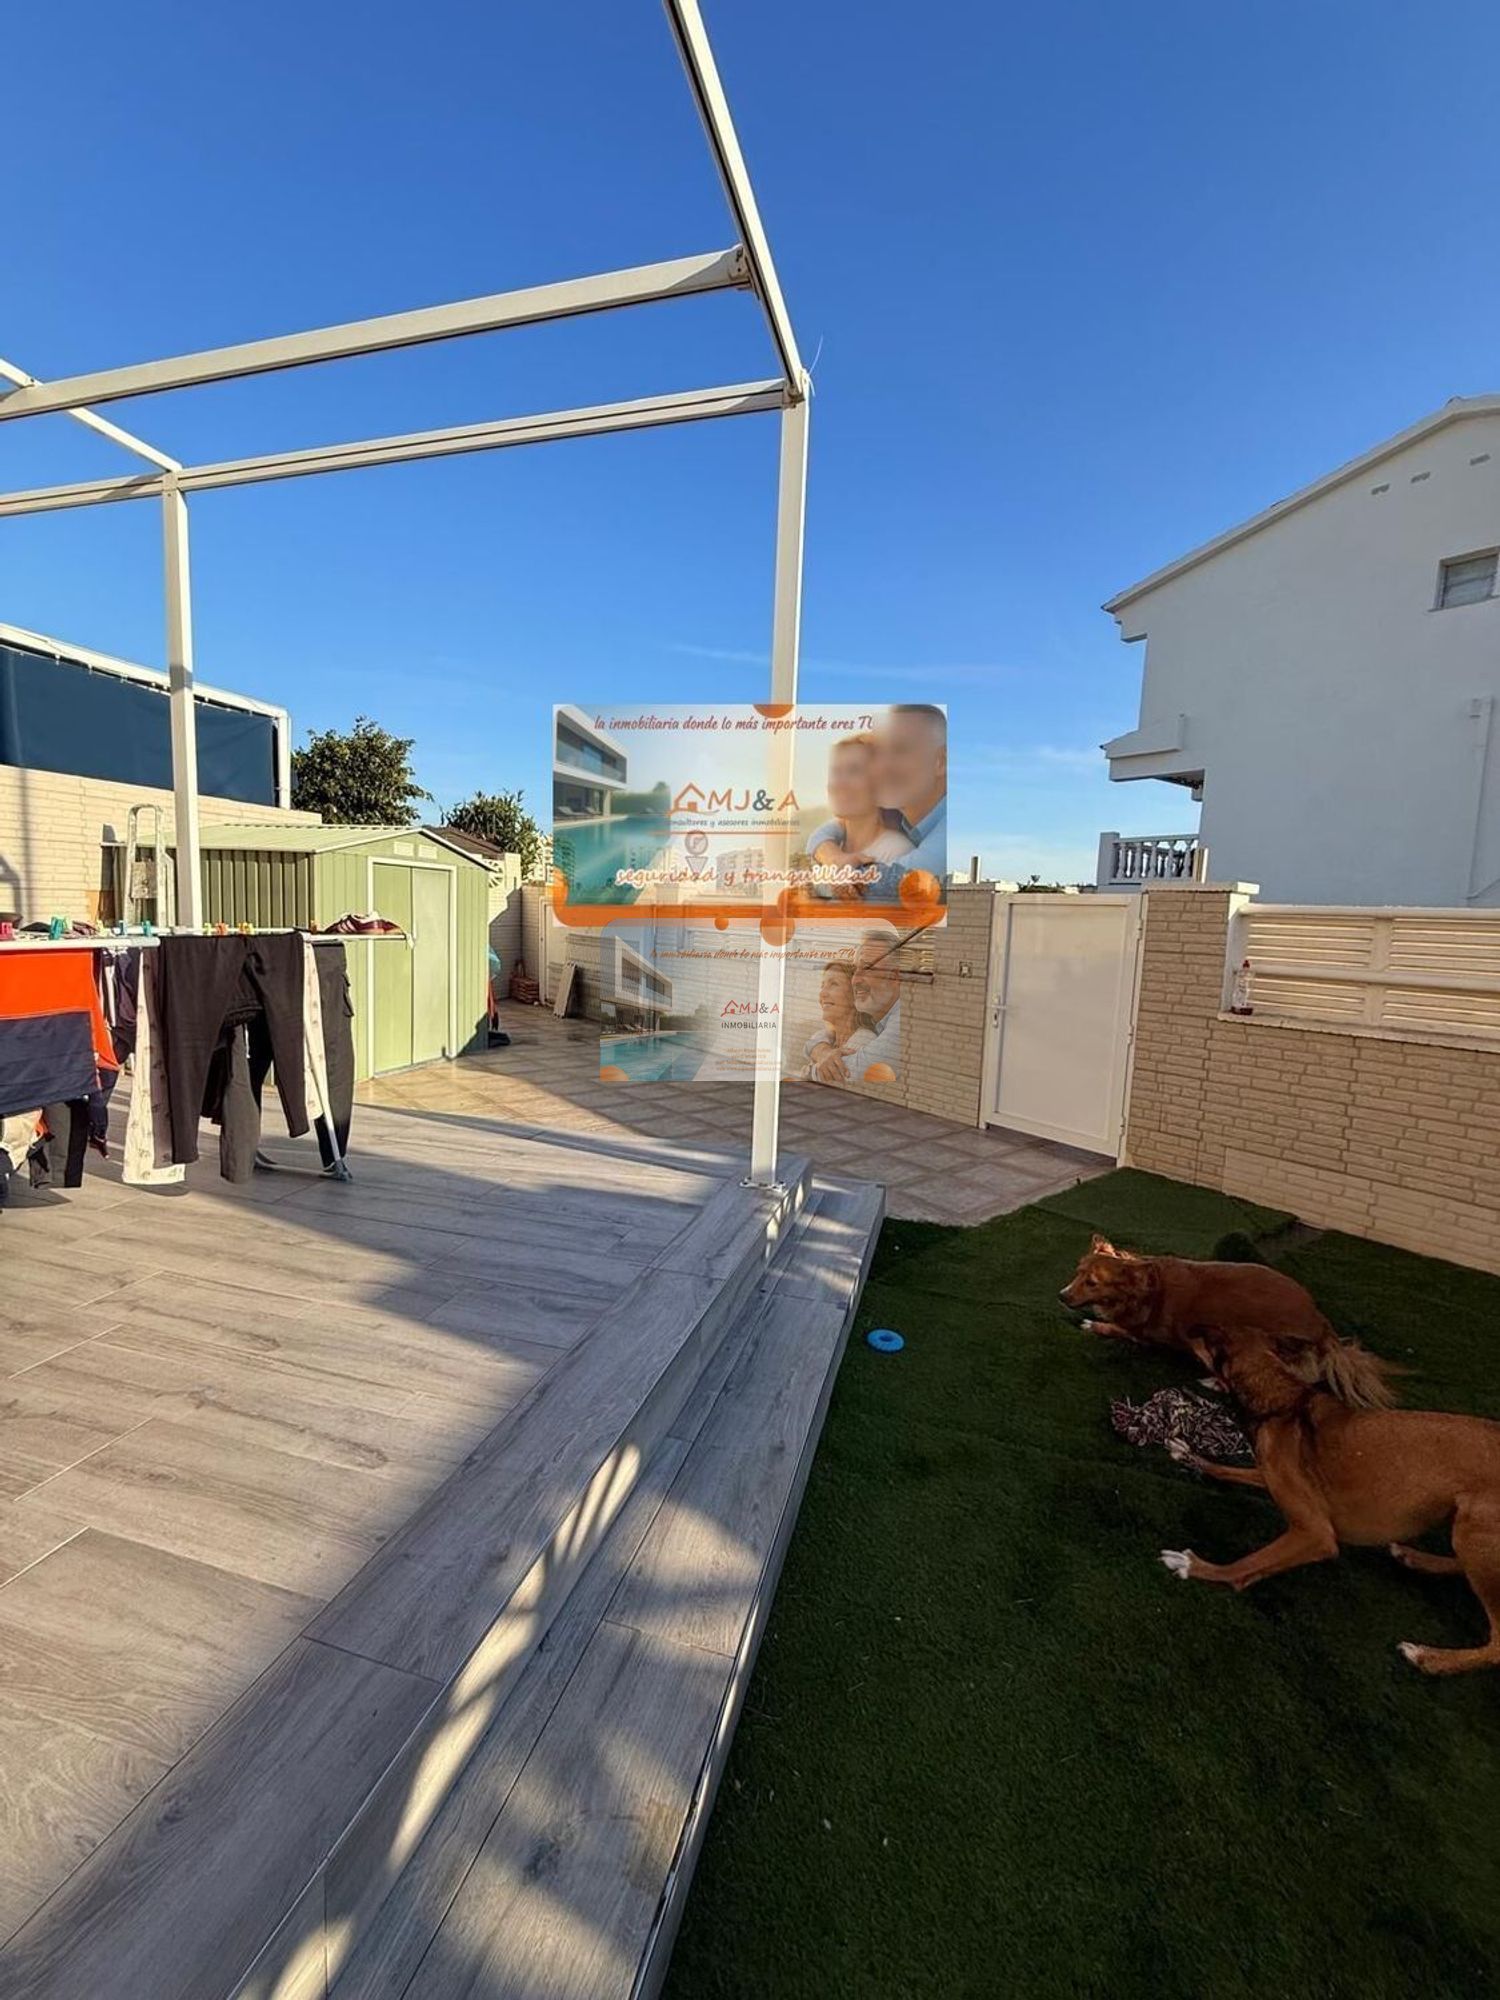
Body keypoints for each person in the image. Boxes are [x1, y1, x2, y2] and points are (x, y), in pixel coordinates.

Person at [804, 706, 946, 898]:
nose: (883, 767)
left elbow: (888, 883)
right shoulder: (904, 819)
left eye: (901, 750)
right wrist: (832, 856)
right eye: (881, 754)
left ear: (940, 762)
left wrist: (817, 881)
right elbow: (826, 831)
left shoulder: (944, 838)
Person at [808, 929, 901, 1083]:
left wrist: (809, 1070)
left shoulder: (901, 1025)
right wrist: (821, 1050)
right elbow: (815, 1039)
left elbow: (852, 1072)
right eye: (857, 968)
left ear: (894, 976)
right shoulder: (882, 1022)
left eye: (867, 968)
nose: (855, 980)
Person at [800, 960, 874, 1079]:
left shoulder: (864, 1041)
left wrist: (808, 1071)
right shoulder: (827, 1037)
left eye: (834, 984)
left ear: (855, 994)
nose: (822, 993)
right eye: (822, 986)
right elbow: (809, 1044)